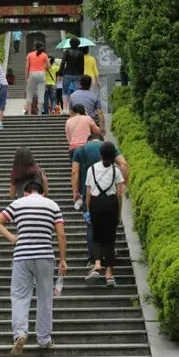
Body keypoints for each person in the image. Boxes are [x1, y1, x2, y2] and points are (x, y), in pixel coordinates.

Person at [0, 180, 67, 357]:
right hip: (44, 256)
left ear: (25, 192)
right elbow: (61, 234)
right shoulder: (52, 205)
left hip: (22, 256)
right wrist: (63, 259)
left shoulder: (18, 203)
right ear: (42, 192)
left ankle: (20, 333)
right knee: (45, 297)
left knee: (19, 296)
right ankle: (44, 338)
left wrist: (12, 238)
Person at [72, 132, 129, 265]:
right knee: (108, 227)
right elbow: (124, 164)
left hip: (90, 194)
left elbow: (75, 172)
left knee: (91, 226)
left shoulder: (80, 150)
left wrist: (75, 192)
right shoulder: (109, 147)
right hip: (110, 197)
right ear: (101, 140)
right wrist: (124, 185)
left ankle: (94, 260)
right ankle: (108, 259)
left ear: (88, 140)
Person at [85, 141, 125, 287]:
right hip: (111, 204)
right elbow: (119, 194)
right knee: (109, 239)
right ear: (113, 155)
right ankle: (109, 273)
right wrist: (119, 213)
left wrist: (89, 210)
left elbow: (88, 192)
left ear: (100, 154)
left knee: (96, 235)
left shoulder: (91, 169)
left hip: (96, 204)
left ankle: (97, 265)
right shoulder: (116, 171)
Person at [58, 36, 85, 112]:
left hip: (67, 74)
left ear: (70, 43)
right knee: (76, 92)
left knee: (65, 91)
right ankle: (75, 109)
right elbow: (82, 66)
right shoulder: (81, 53)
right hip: (77, 75)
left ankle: (65, 108)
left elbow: (63, 63)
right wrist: (81, 75)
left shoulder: (67, 51)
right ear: (78, 44)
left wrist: (60, 74)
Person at [25, 42, 50, 115]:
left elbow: (26, 67)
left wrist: (26, 78)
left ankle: (29, 113)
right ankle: (39, 113)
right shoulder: (44, 55)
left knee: (29, 92)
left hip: (32, 73)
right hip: (41, 74)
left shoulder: (30, 54)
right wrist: (44, 66)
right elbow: (49, 66)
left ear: (35, 47)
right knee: (41, 93)